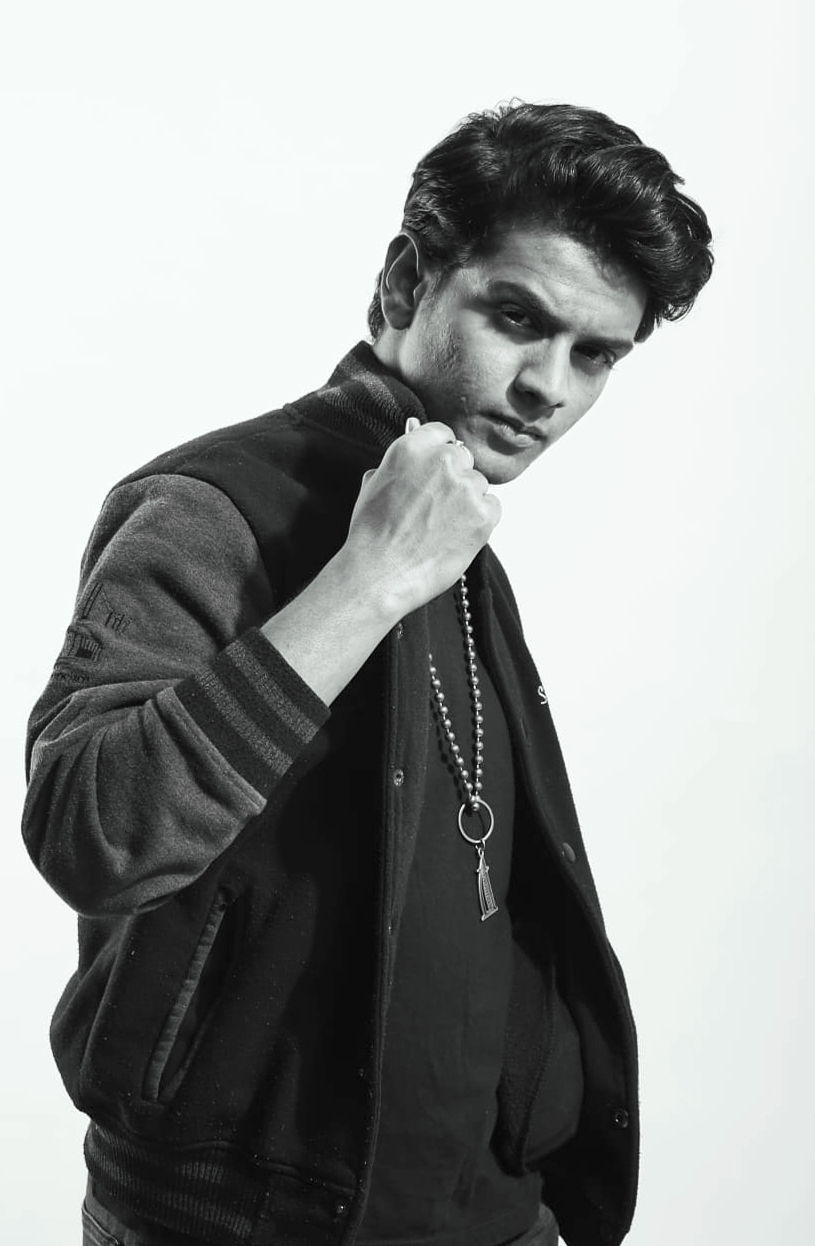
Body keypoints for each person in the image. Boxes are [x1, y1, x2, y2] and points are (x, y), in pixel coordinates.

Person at [22, 101, 713, 1246]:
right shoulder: (215, 506)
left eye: (594, 354)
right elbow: (91, 832)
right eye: (515, 318)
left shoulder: (453, 518)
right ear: (402, 286)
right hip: (239, 1220)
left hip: (477, 1211)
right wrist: (366, 579)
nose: (547, 387)